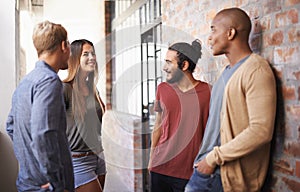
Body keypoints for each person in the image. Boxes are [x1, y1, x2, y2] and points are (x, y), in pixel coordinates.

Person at [185, 7, 277, 192]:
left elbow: (261, 130)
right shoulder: (226, 73)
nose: (209, 37)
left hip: (224, 176)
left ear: (230, 33)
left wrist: (212, 159)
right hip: (207, 171)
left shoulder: (256, 69)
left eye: (213, 29)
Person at [6, 20, 74, 191]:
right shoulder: (49, 81)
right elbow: (44, 134)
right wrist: (57, 184)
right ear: (64, 46)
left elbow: (11, 126)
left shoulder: (26, 82)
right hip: (46, 187)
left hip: (29, 183)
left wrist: (30, 166)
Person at [148, 39, 211, 192]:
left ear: (184, 65)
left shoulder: (209, 92)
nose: (164, 68)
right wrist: (151, 160)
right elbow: (158, 126)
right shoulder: (162, 89)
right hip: (160, 168)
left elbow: (213, 133)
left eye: (169, 62)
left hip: (190, 172)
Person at [63, 39, 106, 192]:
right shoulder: (65, 89)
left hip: (98, 157)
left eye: (93, 53)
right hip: (77, 161)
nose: (92, 57)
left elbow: (99, 122)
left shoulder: (92, 89)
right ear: (75, 58)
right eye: (85, 54)